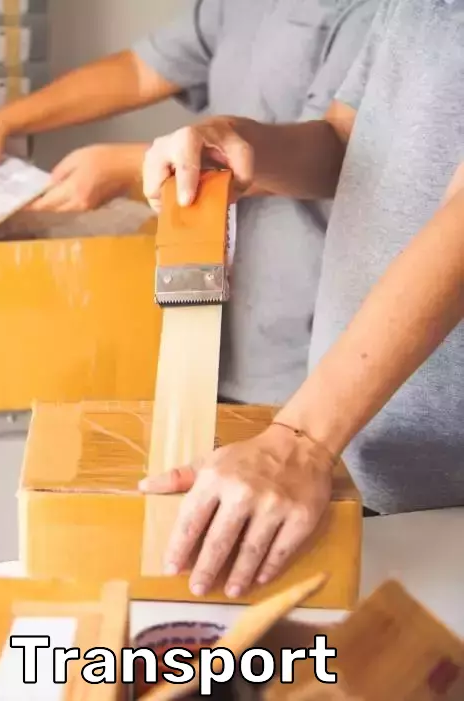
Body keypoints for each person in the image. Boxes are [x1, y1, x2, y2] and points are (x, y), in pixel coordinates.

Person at [138, 0, 464, 601]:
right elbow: (347, 141)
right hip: (363, 459)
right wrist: (238, 144)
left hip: (446, 493)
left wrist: (303, 439)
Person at [0, 0, 379, 410]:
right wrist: (2, 125)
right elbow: (139, 71)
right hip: (209, 326)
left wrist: (134, 165)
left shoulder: (378, 14)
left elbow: (330, 153)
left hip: (299, 347)